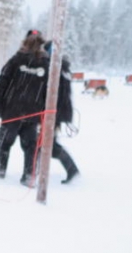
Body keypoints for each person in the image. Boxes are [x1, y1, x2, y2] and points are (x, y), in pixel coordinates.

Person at [0, 30, 49, 187]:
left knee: (5, 141)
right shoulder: (46, 64)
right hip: (33, 114)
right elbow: (50, 92)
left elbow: (2, 82)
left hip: (12, 111)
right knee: (31, 146)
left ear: (24, 43)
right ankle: (29, 176)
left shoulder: (17, 60)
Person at [50, 54, 80, 183]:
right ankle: (35, 170)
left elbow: (57, 95)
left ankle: (71, 168)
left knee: (49, 145)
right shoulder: (62, 70)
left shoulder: (56, 71)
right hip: (58, 113)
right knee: (43, 144)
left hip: (54, 113)